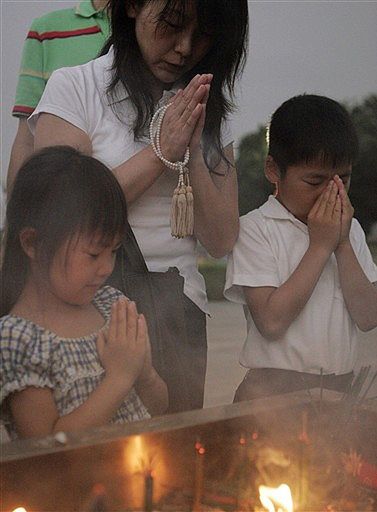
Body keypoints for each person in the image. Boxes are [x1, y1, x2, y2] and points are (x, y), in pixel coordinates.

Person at [29, 0, 249, 410]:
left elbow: (221, 239)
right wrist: (161, 151)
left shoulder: (207, 104)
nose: (184, 48)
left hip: (179, 314)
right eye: (173, 24)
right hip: (85, 307)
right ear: (132, 6)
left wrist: (194, 147)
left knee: (174, 458)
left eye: (202, 35)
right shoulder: (75, 87)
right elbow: (58, 211)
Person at [0, 146, 168, 440]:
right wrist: (120, 377)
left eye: (113, 251)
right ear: (32, 244)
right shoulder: (19, 338)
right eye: (93, 254)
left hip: (136, 472)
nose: (106, 267)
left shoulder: (112, 305)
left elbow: (157, 408)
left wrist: (145, 375)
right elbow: (45, 446)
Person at [224, 94, 377, 401]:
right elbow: (271, 321)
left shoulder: (351, 230)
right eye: (314, 181)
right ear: (273, 170)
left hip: (338, 393)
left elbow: (368, 316)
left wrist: (342, 243)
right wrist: (320, 247)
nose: (330, 193)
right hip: (272, 394)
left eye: (342, 180)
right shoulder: (256, 229)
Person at [7, 0, 110, 189]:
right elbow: (27, 137)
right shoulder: (47, 30)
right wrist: (15, 214)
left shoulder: (157, 29)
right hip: (72, 199)